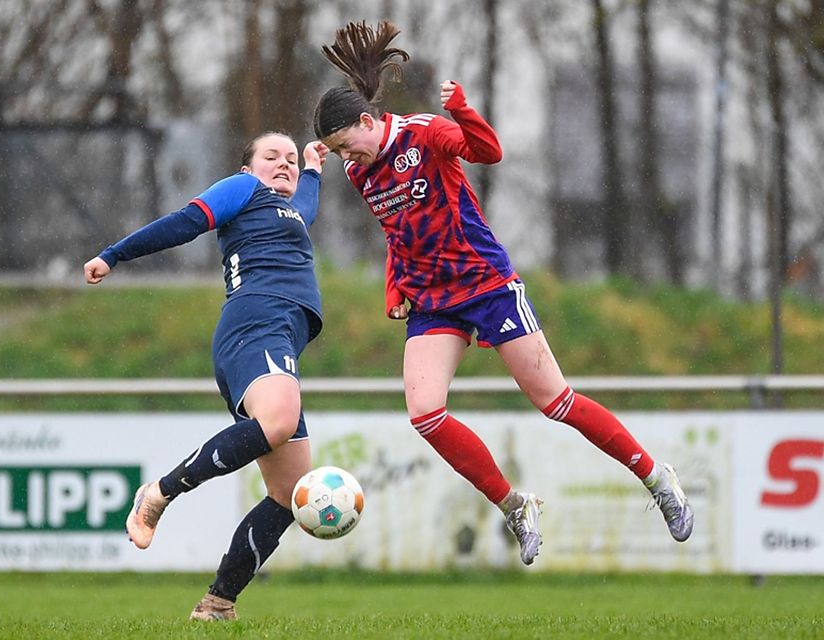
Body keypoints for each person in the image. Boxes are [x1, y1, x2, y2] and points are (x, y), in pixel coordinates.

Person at [312, 21, 693, 566]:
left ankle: (657, 479)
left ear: (369, 122)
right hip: (432, 301)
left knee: (555, 402)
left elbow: (488, 152)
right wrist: (396, 283)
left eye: (348, 145)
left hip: (486, 285)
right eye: (339, 152)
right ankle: (515, 504)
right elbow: (399, 231)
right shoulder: (360, 173)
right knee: (425, 414)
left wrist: (463, 110)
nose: (349, 158)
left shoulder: (425, 134)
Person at [84, 132, 329, 620]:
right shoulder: (242, 190)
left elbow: (307, 204)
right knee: (279, 422)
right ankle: (160, 492)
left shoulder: (291, 213)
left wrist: (314, 167)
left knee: (289, 494)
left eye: (289, 161)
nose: (284, 165)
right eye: (271, 157)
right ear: (247, 168)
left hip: (276, 335)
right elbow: (185, 222)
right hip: (255, 324)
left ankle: (218, 603)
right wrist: (114, 254)